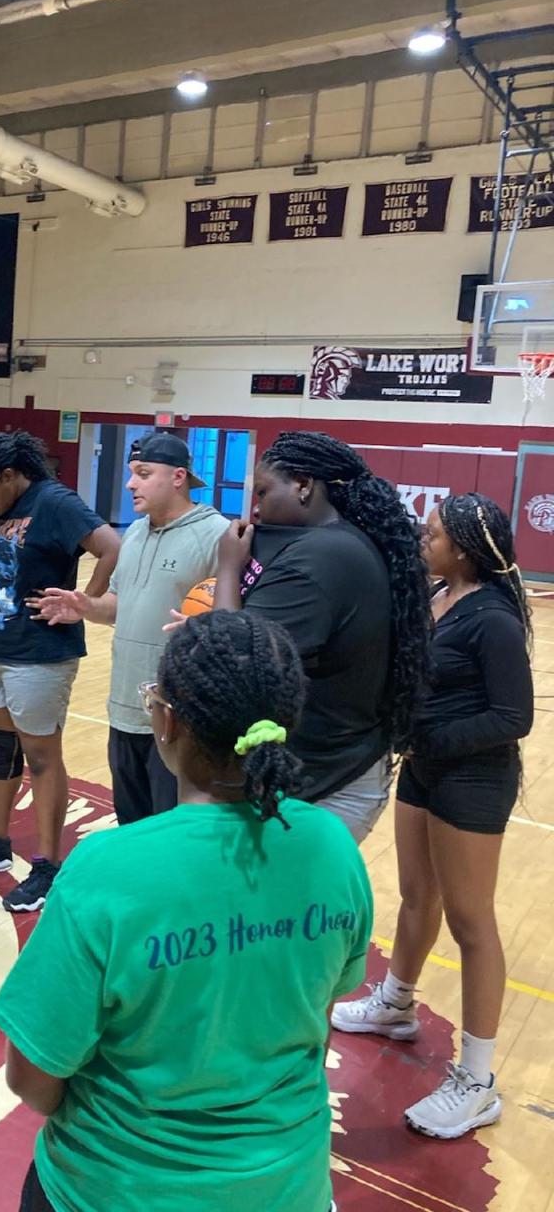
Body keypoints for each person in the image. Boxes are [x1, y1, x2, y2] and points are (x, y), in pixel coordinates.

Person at [0, 610, 372, 1212]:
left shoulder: (109, 867)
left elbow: (33, 1079)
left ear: (166, 720)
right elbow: (313, 1027)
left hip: (115, 1189)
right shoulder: (330, 847)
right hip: (287, 1187)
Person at [332, 494, 533, 1140]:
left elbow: (513, 717)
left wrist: (430, 742)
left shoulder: (494, 619)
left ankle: (477, 1082)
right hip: (423, 768)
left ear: (467, 549)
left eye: (438, 532)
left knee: (472, 920)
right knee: (418, 897)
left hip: (472, 780)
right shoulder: (441, 595)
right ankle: (397, 1003)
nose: (427, 535)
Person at [0, 431, 119, 912]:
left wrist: (85, 603)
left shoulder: (53, 501)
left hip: (40, 653)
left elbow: (111, 545)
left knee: (41, 757)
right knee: (0, 750)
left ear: (10, 475)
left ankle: (48, 865)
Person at [210, 430, 430, 844]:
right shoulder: (341, 544)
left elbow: (232, 664)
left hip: (327, 784)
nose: (254, 508)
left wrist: (227, 568)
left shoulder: (320, 557)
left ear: (304, 485)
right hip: (338, 764)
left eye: (262, 492)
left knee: (275, 906)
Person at [30, 432, 230, 823]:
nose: (130, 484)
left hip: (179, 716)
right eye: (131, 474)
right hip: (124, 707)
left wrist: (211, 627)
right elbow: (118, 607)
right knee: (131, 826)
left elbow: (233, 622)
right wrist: (87, 607)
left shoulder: (216, 534)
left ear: (177, 477)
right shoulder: (135, 532)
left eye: (142, 473)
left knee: (169, 831)